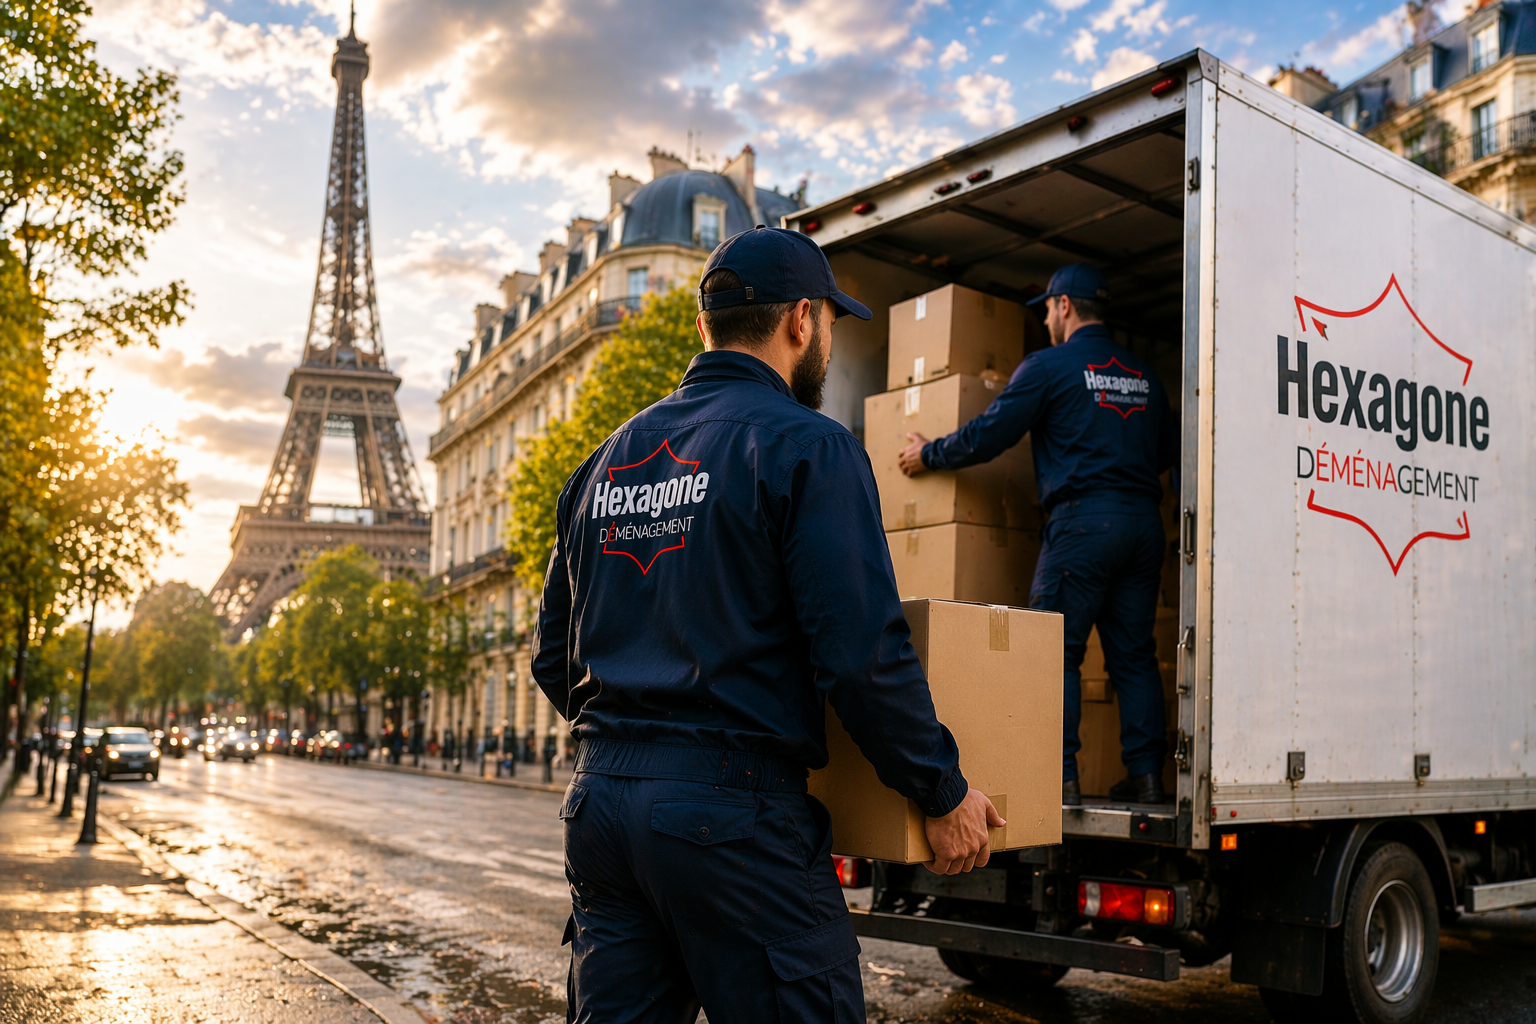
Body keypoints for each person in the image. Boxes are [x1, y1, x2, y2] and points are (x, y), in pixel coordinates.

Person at [534, 226, 1004, 1023]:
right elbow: (859, 655)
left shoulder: (602, 463)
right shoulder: (808, 446)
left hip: (601, 811)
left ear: (701, 327)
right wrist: (942, 789)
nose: (825, 338)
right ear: (800, 322)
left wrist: (635, 743)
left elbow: (554, 655)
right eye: (828, 320)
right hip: (732, 821)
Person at [897, 263, 1178, 807]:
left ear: (1065, 306)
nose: (1046, 318)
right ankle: (1147, 778)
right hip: (1142, 524)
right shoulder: (1145, 376)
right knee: (1134, 657)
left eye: (1047, 308)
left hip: (1083, 524)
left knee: (1056, 655)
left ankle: (1061, 781)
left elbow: (992, 432)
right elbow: (1167, 451)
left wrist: (930, 452)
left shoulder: (1050, 366)